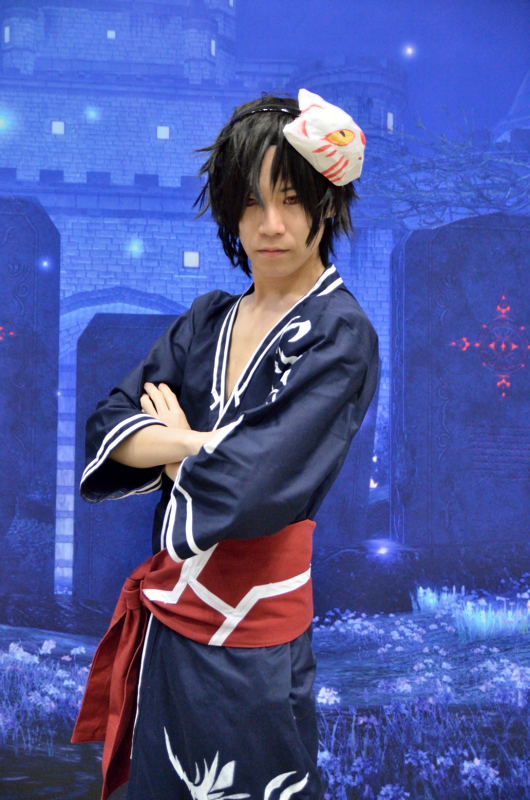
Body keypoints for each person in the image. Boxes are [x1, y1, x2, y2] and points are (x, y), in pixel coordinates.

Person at [72, 89, 379, 800]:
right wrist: (207, 443)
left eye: (292, 200)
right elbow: (108, 423)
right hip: (168, 629)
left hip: (255, 640)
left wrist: (173, 444)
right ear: (228, 213)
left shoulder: (340, 335)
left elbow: (254, 485)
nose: (270, 225)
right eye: (250, 202)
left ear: (327, 203)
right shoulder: (207, 320)